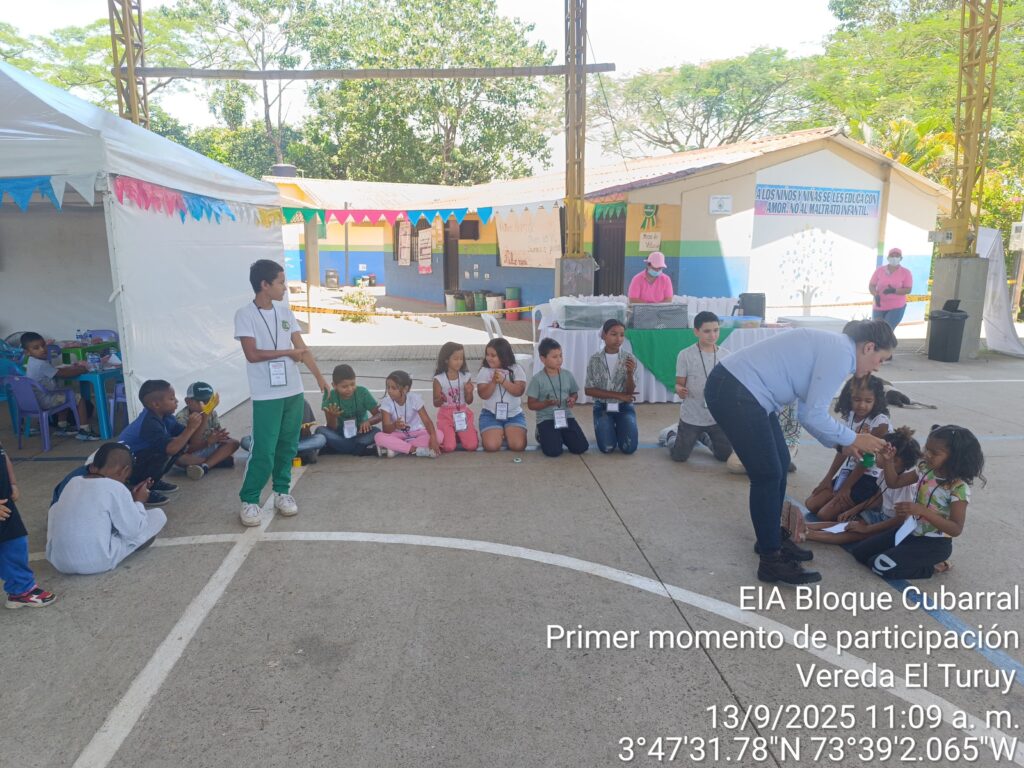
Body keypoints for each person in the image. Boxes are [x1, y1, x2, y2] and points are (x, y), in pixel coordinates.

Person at [704, 319, 894, 585]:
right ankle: (771, 561)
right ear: (869, 347)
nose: (877, 367)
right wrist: (855, 438)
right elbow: (815, 415)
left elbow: (806, 413)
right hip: (736, 391)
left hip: (744, 391)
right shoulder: (841, 354)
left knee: (780, 463)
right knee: (768, 475)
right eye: (881, 359)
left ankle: (771, 539)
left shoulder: (838, 349)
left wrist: (842, 444)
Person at [235, 259, 329, 527]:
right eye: (281, 282)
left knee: (288, 445)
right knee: (264, 449)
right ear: (265, 285)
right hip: (266, 394)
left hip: (292, 391)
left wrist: (320, 378)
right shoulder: (245, 315)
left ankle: (282, 492)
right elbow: (252, 354)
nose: (285, 288)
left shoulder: (286, 313)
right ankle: (250, 499)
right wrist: (288, 352)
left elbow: (302, 349)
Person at [852, 424, 984, 579]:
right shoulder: (925, 469)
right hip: (910, 531)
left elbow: (955, 529)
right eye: (927, 449)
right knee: (860, 553)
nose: (927, 454)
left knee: (879, 566)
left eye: (934, 453)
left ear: (955, 458)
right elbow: (894, 482)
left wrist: (922, 511)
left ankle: (933, 567)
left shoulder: (958, 488)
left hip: (934, 544)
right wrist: (888, 461)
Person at [46, 442, 166, 575]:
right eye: (126, 479)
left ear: (92, 466)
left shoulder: (72, 482)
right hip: (97, 561)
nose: (124, 482)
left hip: (59, 562)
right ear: (124, 470)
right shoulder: (116, 487)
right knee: (158, 515)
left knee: (56, 508)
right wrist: (139, 502)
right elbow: (134, 531)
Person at [805, 427, 921, 546]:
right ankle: (805, 526)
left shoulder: (906, 487)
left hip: (893, 525)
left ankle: (809, 534)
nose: (875, 455)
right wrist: (853, 510)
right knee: (848, 525)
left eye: (879, 453)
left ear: (894, 460)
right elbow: (877, 499)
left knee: (858, 533)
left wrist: (867, 529)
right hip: (881, 516)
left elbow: (900, 520)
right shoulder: (885, 474)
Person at [805, 375, 891, 520]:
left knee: (824, 514)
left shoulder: (881, 423)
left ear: (876, 400)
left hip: (870, 479)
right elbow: (843, 449)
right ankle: (843, 501)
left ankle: (865, 508)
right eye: (857, 399)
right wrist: (828, 478)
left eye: (868, 401)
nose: (862, 405)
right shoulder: (850, 415)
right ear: (848, 398)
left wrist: (846, 488)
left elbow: (866, 461)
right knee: (811, 504)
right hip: (850, 473)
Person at [118, 379, 205, 505]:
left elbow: (189, 439)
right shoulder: (149, 423)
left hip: (138, 459)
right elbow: (171, 449)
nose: (176, 401)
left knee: (178, 444)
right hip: (125, 468)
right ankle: (139, 488)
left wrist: (203, 416)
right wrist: (190, 428)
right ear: (156, 404)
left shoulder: (167, 417)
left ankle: (153, 482)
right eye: (171, 398)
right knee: (167, 449)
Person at [668, 311, 733, 463]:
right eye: (707, 331)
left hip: (717, 416)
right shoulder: (685, 355)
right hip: (692, 415)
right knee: (679, 457)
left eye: (716, 330)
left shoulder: (727, 355)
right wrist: (679, 389)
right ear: (696, 331)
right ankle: (671, 434)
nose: (713, 335)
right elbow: (679, 383)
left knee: (724, 456)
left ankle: (702, 437)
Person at [1, 441, 57, 609]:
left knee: (15, 543)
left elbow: (3, 455)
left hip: (4, 504)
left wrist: (12, 483)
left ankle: (21, 590)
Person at [19, 331, 98, 441]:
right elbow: (62, 374)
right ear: (27, 352)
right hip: (44, 400)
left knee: (64, 393)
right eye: (36, 348)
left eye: (43, 345)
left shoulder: (32, 361)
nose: (42, 349)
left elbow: (54, 371)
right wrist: (81, 370)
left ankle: (62, 426)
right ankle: (85, 430)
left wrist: (68, 369)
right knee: (79, 398)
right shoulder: (41, 364)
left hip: (35, 399)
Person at [527, 338, 589, 457]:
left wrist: (572, 399)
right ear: (543, 359)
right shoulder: (537, 379)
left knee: (581, 447)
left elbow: (574, 393)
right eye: (554, 357)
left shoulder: (567, 375)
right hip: (546, 418)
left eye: (560, 355)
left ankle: (559, 435)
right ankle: (541, 433)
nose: (559, 359)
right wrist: (546, 403)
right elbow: (531, 404)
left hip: (566, 416)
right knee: (553, 451)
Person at [584, 319, 638, 454]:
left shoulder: (629, 358)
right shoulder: (595, 359)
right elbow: (588, 390)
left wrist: (630, 373)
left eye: (622, 335)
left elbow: (630, 391)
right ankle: (607, 425)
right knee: (607, 448)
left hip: (624, 406)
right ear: (604, 335)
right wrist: (619, 395)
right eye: (614, 334)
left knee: (629, 448)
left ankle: (619, 426)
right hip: (602, 406)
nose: (618, 339)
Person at [174, 381, 240, 480]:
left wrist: (220, 437)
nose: (206, 405)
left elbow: (219, 434)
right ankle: (215, 461)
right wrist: (207, 441)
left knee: (234, 443)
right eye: (202, 401)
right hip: (192, 452)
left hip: (208, 447)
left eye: (209, 401)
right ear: (188, 401)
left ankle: (204, 466)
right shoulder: (181, 417)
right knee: (180, 459)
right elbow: (188, 448)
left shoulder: (212, 413)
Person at [476, 338, 528, 453]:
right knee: (491, 446)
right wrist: (493, 382)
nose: (489, 358)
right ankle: (499, 433)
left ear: (503, 356)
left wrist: (504, 381)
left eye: (493, 355)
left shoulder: (516, 369)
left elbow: (519, 391)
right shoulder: (484, 370)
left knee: (518, 446)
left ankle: (506, 432)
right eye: (487, 354)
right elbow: (483, 395)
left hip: (514, 414)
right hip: (490, 414)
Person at [316, 364, 381, 456]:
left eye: (352, 384)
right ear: (334, 385)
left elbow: (379, 414)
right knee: (320, 430)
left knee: (377, 431)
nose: (350, 389)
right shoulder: (329, 395)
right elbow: (332, 427)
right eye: (344, 386)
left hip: (361, 432)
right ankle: (357, 449)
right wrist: (333, 417)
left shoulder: (363, 392)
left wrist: (369, 422)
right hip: (339, 433)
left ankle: (339, 448)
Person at [375, 370, 442, 457]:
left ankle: (398, 449)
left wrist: (433, 437)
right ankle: (415, 450)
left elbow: (427, 422)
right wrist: (395, 425)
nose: (390, 391)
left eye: (394, 388)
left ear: (405, 389)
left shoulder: (414, 399)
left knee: (439, 435)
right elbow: (386, 429)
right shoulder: (386, 402)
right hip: (397, 434)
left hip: (416, 432)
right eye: (388, 387)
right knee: (378, 437)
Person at [433, 342, 479, 453]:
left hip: (462, 413)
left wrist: (469, 392)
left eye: (461, 358)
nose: (459, 361)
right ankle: (446, 432)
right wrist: (440, 399)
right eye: (455, 359)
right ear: (446, 360)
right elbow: (436, 403)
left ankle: (460, 433)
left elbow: (469, 401)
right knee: (449, 447)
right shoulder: (439, 379)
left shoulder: (465, 376)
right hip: (446, 415)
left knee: (471, 446)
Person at [869, 247, 913, 329]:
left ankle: (887, 338)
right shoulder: (879, 270)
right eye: (892, 255)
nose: (894, 258)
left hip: (896, 307)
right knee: (876, 329)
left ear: (901, 258)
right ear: (888, 258)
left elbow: (908, 289)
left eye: (897, 256)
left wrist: (894, 290)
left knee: (887, 330)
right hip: (879, 305)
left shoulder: (906, 272)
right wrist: (875, 294)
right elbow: (871, 285)